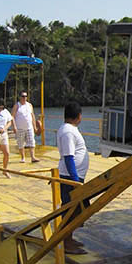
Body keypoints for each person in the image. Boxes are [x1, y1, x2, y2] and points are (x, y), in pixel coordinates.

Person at [57, 102, 89, 253]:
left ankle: (69, 239)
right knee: (70, 211)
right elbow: (69, 157)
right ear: (78, 116)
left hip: (74, 176)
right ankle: (66, 243)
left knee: (78, 210)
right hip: (70, 177)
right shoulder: (68, 131)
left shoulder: (70, 129)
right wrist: (75, 180)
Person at [11, 91, 40, 164]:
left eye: (25, 96)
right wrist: (14, 126)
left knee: (32, 142)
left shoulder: (29, 105)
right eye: (23, 96)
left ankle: (33, 157)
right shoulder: (17, 105)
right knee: (21, 143)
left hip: (29, 127)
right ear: (20, 97)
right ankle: (23, 157)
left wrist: (35, 127)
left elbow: (32, 116)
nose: (24, 98)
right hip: (20, 128)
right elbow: (12, 117)